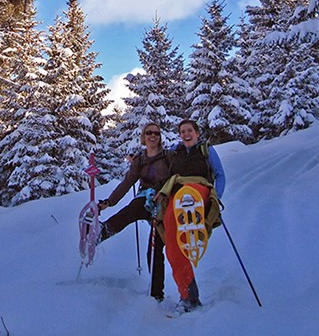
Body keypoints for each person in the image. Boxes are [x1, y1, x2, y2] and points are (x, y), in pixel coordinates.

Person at [156, 119, 226, 314]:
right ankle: (188, 296)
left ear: (197, 133)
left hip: (199, 189)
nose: (186, 134)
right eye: (182, 131)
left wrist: (217, 198)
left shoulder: (206, 150)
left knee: (187, 194)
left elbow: (220, 175)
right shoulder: (175, 152)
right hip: (176, 195)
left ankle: (193, 216)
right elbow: (158, 159)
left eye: (189, 131)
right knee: (172, 244)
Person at [97, 122, 171, 301]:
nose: (152, 136)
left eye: (156, 133)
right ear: (144, 137)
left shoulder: (169, 157)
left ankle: (156, 295)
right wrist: (109, 202)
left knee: (155, 248)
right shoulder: (140, 160)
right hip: (144, 200)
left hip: (162, 203)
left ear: (160, 137)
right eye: (149, 133)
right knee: (132, 210)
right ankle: (101, 233)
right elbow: (127, 183)